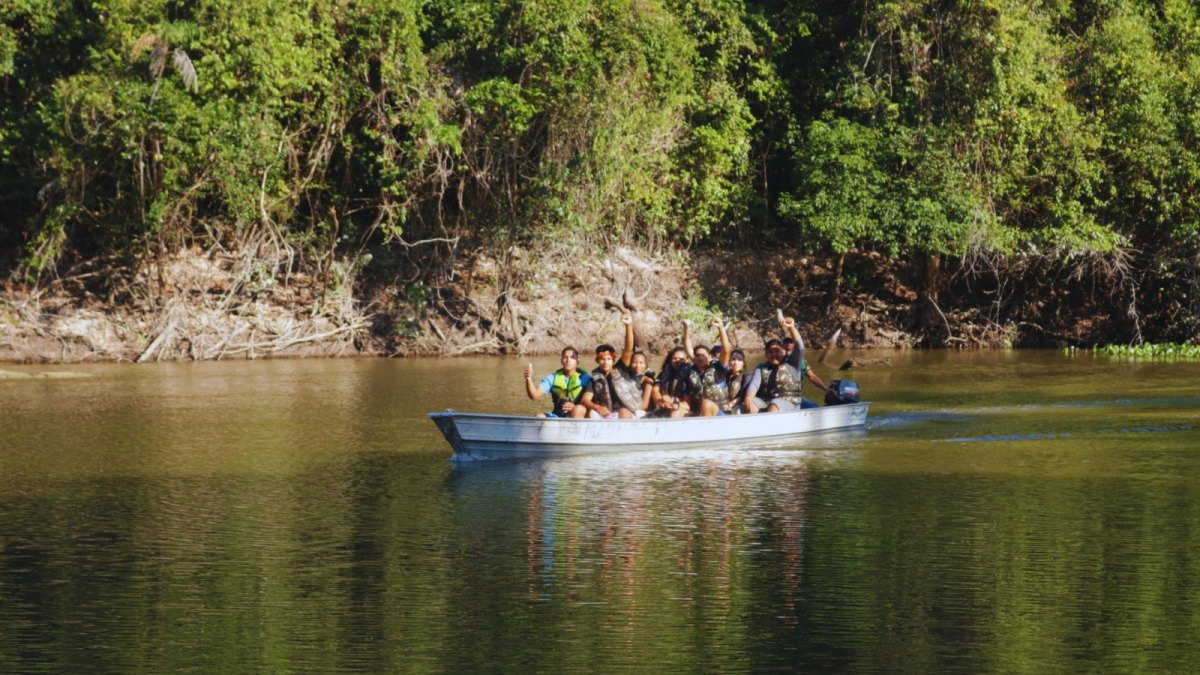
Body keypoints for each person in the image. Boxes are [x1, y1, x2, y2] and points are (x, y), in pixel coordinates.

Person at [744, 313, 830, 413]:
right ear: (766, 354)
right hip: (768, 401)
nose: (774, 354)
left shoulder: (793, 363)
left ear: (784, 352)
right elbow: (754, 385)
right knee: (750, 402)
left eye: (777, 351)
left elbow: (800, 347)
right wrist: (748, 399)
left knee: (775, 404)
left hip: (790, 403)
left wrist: (791, 327)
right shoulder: (761, 368)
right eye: (770, 352)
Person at [579, 313, 645, 419]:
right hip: (607, 414)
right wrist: (597, 407)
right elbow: (585, 400)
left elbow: (628, 349)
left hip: (626, 413)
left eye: (609, 359)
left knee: (623, 411)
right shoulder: (595, 379)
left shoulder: (621, 369)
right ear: (597, 361)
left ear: (613, 360)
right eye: (602, 359)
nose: (606, 362)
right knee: (591, 412)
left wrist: (628, 326)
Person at [684, 318, 733, 416]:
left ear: (710, 357)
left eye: (703, 355)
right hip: (700, 414)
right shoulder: (693, 370)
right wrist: (686, 328)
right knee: (681, 407)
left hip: (721, 414)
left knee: (706, 404)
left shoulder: (718, 369)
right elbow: (688, 348)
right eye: (697, 355)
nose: (700, 358)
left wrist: (720, 327)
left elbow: (726, 350)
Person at [524, 347, 592, 417]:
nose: (568, 360)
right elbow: (534, 395)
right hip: (558, 415)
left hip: (578, 414)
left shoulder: (587, 378)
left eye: (572, 357)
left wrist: (574, 407)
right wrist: (528, 379)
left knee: (579, 409)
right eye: (565, 357)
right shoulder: (552, 378)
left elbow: (592, 401)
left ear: (578, 361)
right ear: (561, 361)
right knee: (539, 416)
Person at [653, 341, 692, 418]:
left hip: (684, 407)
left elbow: (688, 403)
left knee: (675, 413)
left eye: (681, 359)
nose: (677, 361)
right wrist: (661, 400)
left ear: (687, 360)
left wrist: (673, 403)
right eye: (674, 358)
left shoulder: (691, 375)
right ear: (670, 360)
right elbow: (655, 390)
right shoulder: (664, 373)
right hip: (666, 404)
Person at [722, 347, 754, 414]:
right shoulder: (727, 374)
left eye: (739, 360)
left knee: (737, 410)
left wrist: (731, 404)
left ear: (743, 362)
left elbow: (743, 393)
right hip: (726, 403)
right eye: (733, 359)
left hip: (741, 404)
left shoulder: (747, 375)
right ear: (730, 361)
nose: (736, 362)